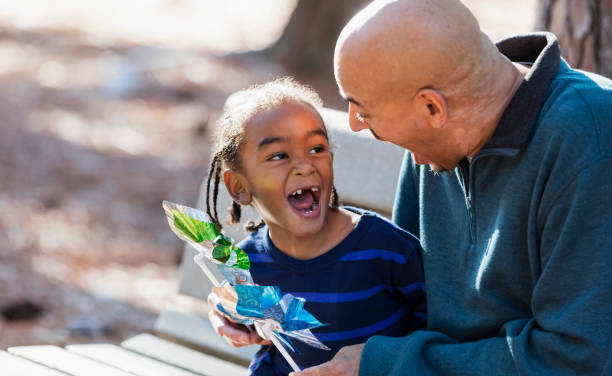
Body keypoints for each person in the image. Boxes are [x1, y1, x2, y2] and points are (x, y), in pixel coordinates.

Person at [290, 0, 612, 375]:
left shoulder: (591, 144)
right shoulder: (435, 144)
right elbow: (402, 298)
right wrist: (275, 311)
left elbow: (575, 360)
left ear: (432, 108)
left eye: (363, 110)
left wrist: (383, 366)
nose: (356, 124)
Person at [205, 77, 427, 375]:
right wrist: (231, 312)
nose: (304, 165)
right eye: (279, 155)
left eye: (316, 148)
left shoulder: (387, 249)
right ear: (239, 186)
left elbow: (434, 329)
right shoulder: (247, 263)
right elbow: (249, 323)